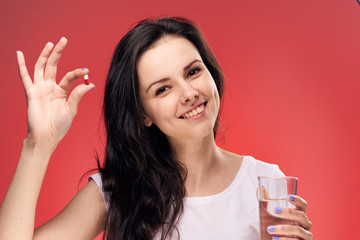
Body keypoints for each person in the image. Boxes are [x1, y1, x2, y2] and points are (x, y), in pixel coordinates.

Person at [0, 17, 312, 240]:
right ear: (142, 113)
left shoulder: (266, 182)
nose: (188, 93)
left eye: (192, 71)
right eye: (162, 89)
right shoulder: (116, 191)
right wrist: (38, 143)